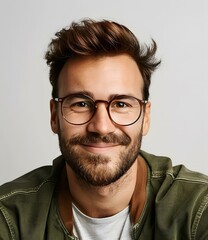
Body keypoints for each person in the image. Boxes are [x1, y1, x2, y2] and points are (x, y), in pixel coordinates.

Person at [0, 19, 207, 240]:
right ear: (54, 115)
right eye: (81, 103)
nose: (101, 126)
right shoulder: (10, 216)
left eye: (121, 104)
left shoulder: (197, 208)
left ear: (145, 117)